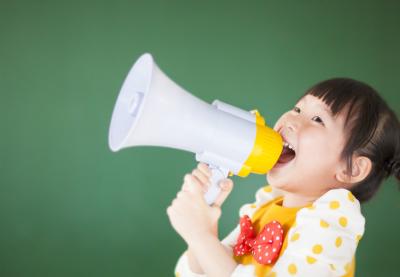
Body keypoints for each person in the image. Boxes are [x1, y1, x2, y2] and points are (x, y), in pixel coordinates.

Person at [166, 78, 400, 277]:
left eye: (318, 119)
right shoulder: (264, 206)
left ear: (351, 170)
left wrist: (200, 236)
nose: (290, 118)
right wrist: (204, 228)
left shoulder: (334, 223)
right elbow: (208, 269)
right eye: (297, 109)